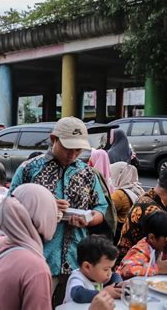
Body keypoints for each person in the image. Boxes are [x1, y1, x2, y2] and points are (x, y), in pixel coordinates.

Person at [9, 116, 108, 305]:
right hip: (39, 257)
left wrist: (88, 219)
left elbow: (101, 209)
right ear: (53, 139)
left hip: (77, 258)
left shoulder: (87, 173)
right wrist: (45, 205)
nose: (72, 154)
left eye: (78, 150)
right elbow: (10, 207)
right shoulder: (30, 169)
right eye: (67, 148)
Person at [117, 211, 167, 279]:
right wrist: (158, 268)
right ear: (152, 238)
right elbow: (127, 270)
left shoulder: (162, 247)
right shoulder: (141, 251)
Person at [63, 235, 122, 304]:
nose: (109, 273)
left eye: (111, 268)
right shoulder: (77, 278)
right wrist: (105, 292)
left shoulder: (95, 275)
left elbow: (115, 276)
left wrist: (119, 285)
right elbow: (79, 295)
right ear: (87, 267)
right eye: (106, 269)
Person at [110, 161, 145, 243]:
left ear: (118, 175)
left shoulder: (119, 194)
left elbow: (106, 212)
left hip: (119, 233)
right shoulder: (138, 188)